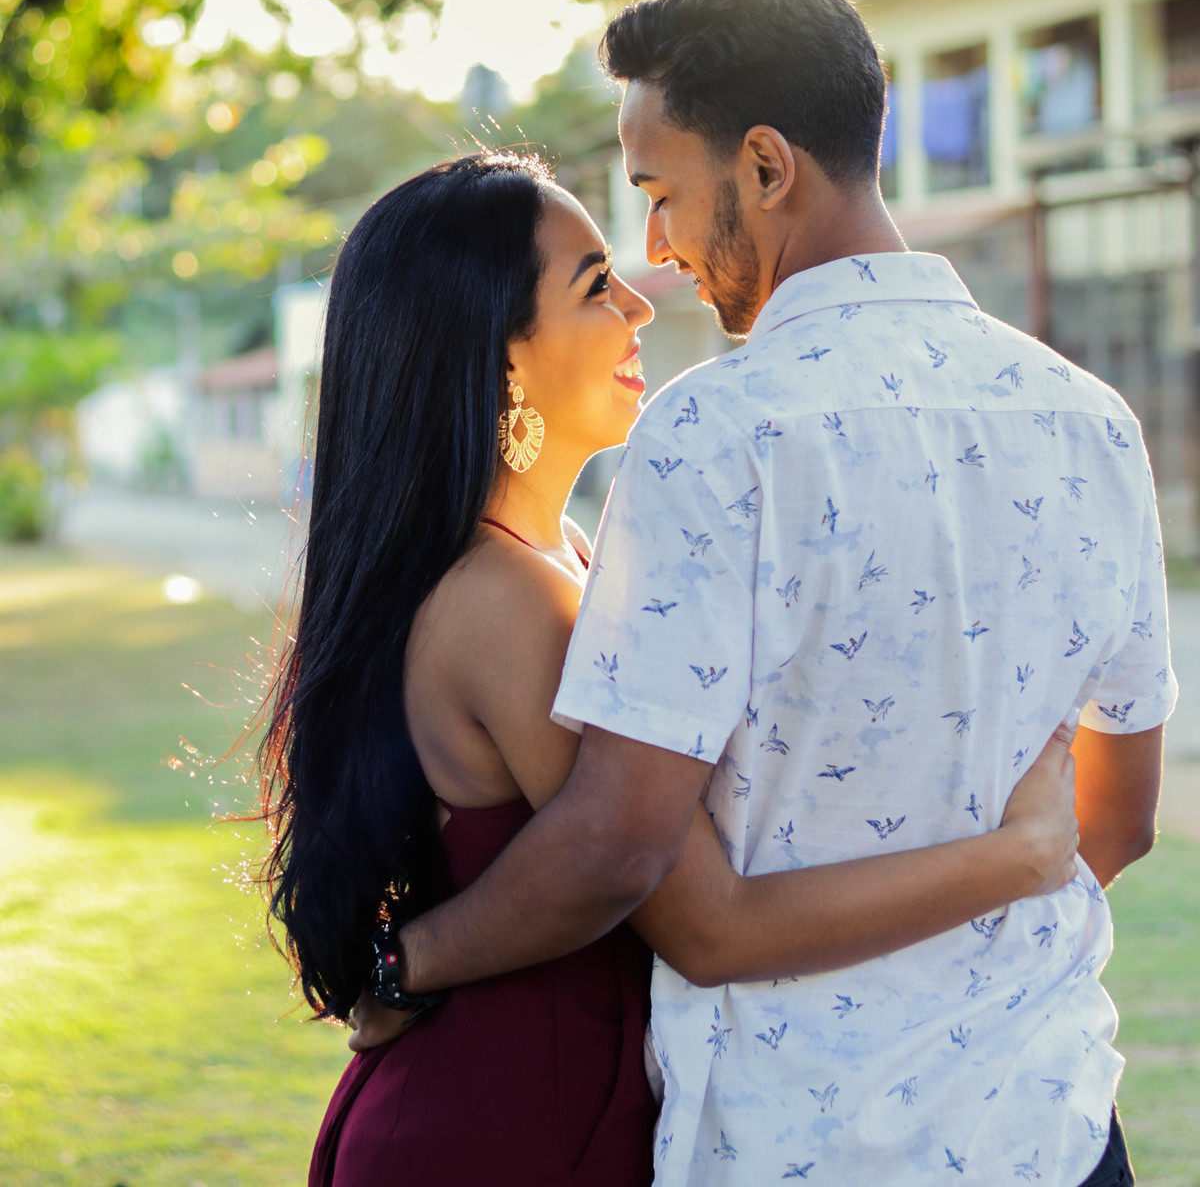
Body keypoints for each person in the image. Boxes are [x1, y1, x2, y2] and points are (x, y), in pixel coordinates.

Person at [367, 0, 1177, 1187]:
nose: (657, 248)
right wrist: (998, 888)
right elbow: (1116, 819)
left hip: (803, 1145)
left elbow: (633, 863)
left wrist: (402, 964)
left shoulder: (714, 435)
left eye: (660, 193)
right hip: (1053, 1132)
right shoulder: (1095, 423)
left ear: (764, 165)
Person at [260, 148, 1079, 1187]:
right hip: (502, 1126)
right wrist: (1021, 855)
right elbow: (683, 901)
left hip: (551, 1101)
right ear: (502, 358)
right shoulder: (510, 601)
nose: (641, 308)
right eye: (596, 286)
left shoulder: (556, 559)